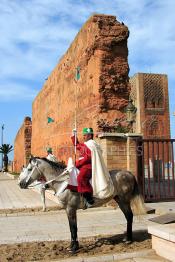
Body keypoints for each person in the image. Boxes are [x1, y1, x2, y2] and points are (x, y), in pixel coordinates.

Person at [71, 128, 94, 208]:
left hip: (88, 166)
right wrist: (74, 135)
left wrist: (78, 163)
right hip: (82, 165)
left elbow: (88, 157)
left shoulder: (91, 144)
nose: (83, 137)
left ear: (90, 135)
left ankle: (89, 199)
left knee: (80, 178)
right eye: (83, 135)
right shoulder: (85, 144)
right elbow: (77, 145)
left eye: (85, 135)